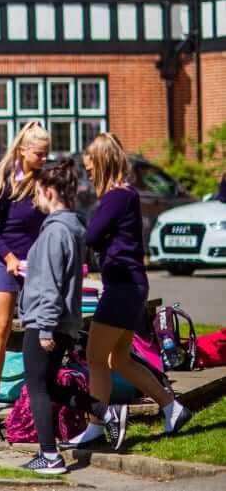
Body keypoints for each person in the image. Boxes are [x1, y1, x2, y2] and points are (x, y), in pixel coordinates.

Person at [62, 133, 191, 450]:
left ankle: (96, 424)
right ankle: (171, 407)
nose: (87, 173)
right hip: (131, 285)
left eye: (90, 168)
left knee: (95, 356)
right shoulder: (124, 195)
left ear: (102, 163)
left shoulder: (116, 197)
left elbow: (90, 234)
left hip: (122, 288)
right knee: (118, 359)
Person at [17, 158, 119, 474]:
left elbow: (50, 285)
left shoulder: (54, 232)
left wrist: (45, 328)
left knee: (37, 389)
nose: (33, 199)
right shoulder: (73, 227)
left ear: (49, 191)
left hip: (46, 322)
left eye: (36, 193)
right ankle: (103, 410)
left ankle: (50, 457)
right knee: (48, 385)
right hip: (64, 320)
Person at [0, 121, 49, 410]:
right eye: (39, 154)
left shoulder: (45, 182)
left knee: (41, 326)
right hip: (4, 258)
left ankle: (41, 388)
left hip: (35, 261)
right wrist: (8, 257)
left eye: (47, 154)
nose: (44, 160)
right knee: (2, 325)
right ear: (22, 151)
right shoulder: (3, 181)